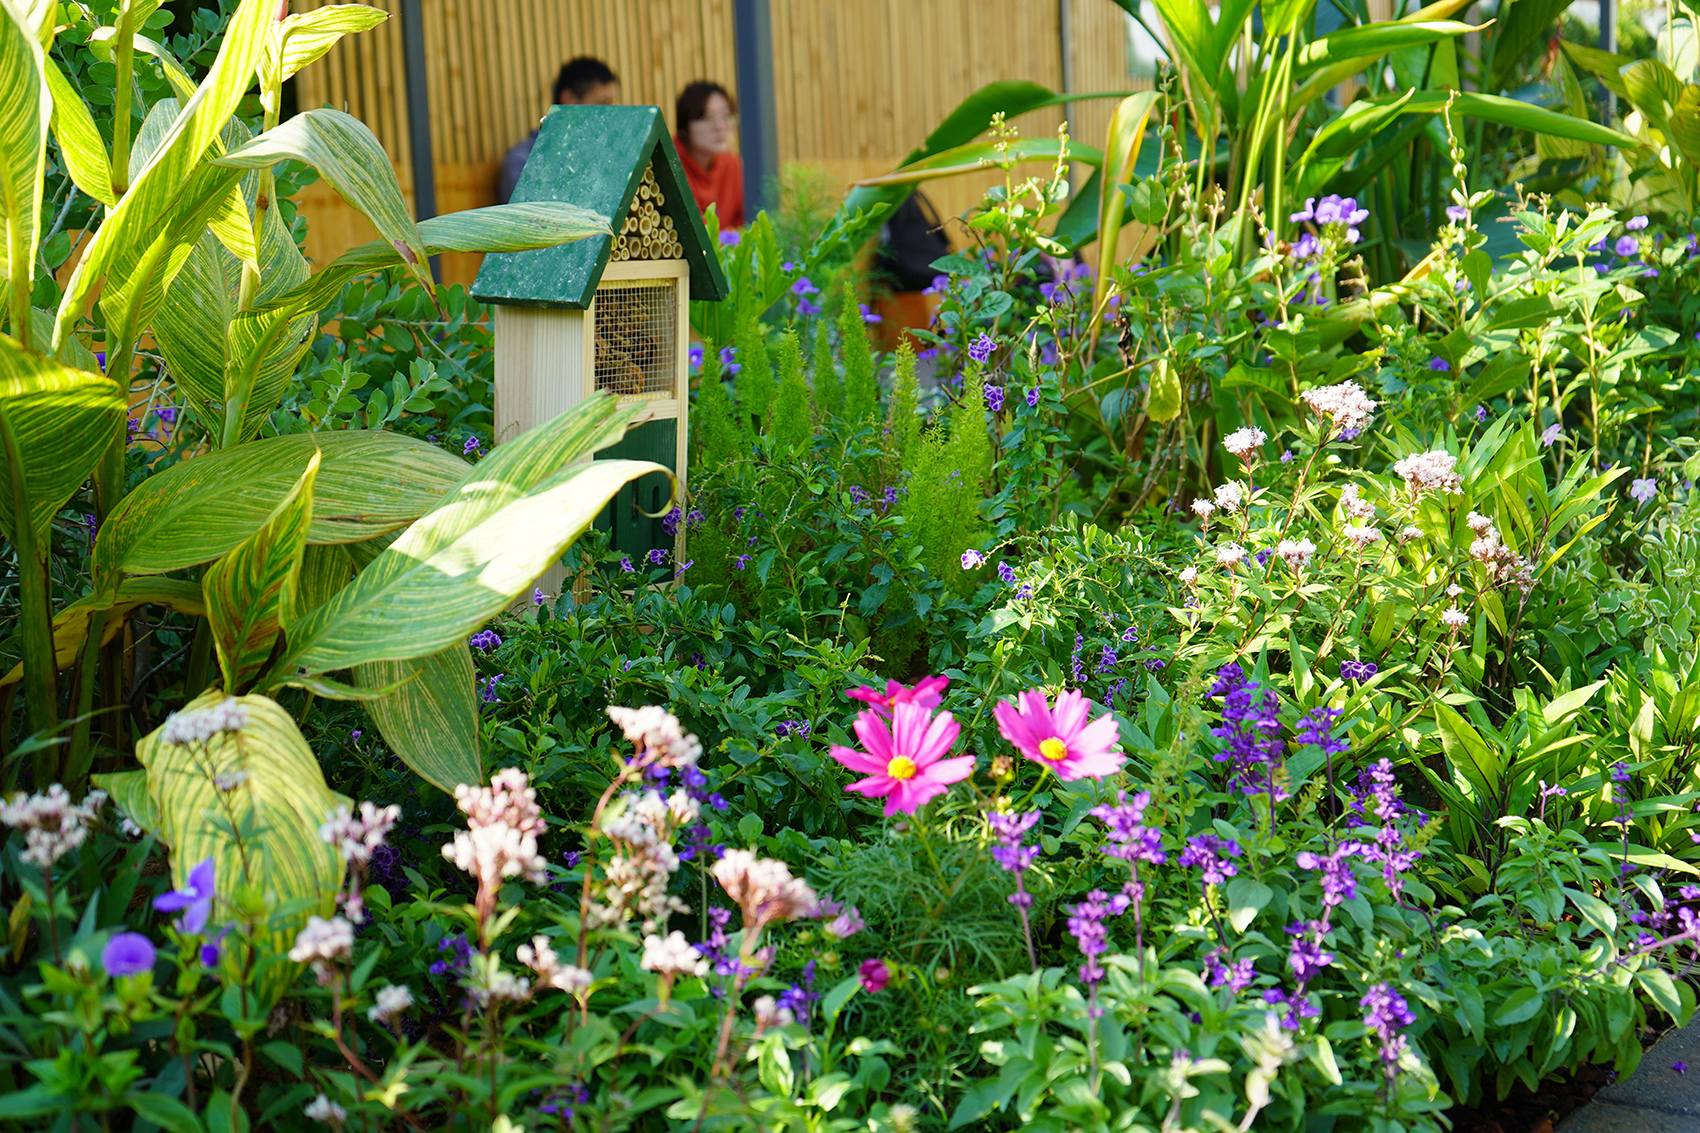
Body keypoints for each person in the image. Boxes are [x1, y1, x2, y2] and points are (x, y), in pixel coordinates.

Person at [499, 57, 619, 204]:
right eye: (602, 104)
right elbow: (523, 221)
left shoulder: (606, 153)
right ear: (569, 101)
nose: (610, 114)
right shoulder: (523, 161)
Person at [674, 81, 743, 229]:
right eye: (705, 118)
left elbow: (743, 225)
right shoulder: (671, 161)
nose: (720, 127)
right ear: (684, 127)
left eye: (727, 115)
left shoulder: (731, 163)